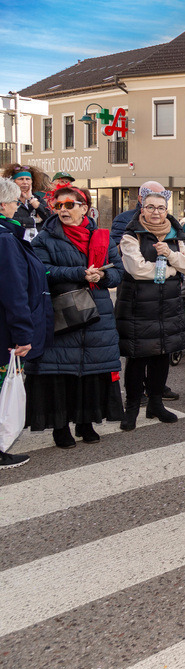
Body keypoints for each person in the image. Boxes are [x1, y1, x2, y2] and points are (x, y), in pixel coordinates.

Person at [25, 184, 124, 449]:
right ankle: (60, 427)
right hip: (63, 312)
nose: (63, 210)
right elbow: (41, 271)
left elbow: (118, 273)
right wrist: (78, 273)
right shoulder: (44, 238)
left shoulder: (102, 236)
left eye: (69, 205)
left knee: (91, 372)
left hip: (97, 313)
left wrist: (102, 276)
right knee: (62, 372)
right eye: (58, 206)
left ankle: (86, 422)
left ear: (84, 208)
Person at [115, 188, 185, 430]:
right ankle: (131, 408)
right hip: (138, 307)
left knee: (162, 356)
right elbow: (136, 270)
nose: (156, 212)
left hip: (167, 307)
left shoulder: (175, 236)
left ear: (166, 211)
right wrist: (173, 270)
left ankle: (155, 403)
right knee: (137, 358)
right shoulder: (132, 236)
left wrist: (171, 255)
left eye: (161, 208)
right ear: (142, 209)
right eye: (150, 207)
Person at [0, 178, 51, 469]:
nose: (17, 207)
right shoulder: (5, 238)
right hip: (4, 329)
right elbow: (13, 291)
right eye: (15, 202)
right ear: (4, 205)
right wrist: (23, 334)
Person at [2, 164, 51, 242]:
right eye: (21, 179)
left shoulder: (37, 198)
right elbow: (9, 219)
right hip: (18, 240)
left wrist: (32, 200)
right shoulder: (8, 199)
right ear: (13, 181)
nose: (25, 182)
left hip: (38, 242)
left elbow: (49, 218)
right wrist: (34, 221)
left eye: (28, 179)